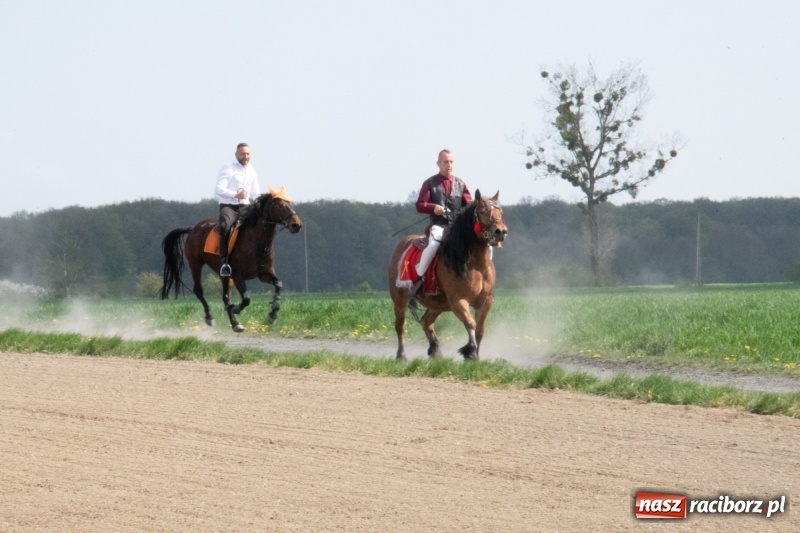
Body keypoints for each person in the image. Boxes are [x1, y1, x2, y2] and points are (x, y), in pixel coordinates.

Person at [413, 148, 472, 290]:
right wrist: (433, 208)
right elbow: (420, 205)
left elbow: (470, 207)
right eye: (446, 162)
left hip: (457, 228)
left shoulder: (461, 184)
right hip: (439, 225)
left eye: (451, 162)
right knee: (433, 245)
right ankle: (419, 277)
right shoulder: (429, 183)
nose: (449, 165)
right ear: (438, 163)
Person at [214, 142, 261, 277]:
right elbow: (219, 189)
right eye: (242, 154)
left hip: (245, 207)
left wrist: (261, 204)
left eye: (248, 154)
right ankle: (224, 262)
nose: (246, 156)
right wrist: (235, 195)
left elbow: (256, 193)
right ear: (236, 154)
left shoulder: (252, 170)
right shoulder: (228, 168)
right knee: (225, 226)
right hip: (229, 206)